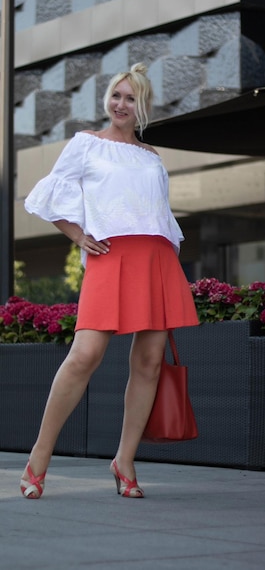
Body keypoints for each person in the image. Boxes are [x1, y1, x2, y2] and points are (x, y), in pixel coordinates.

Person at [20, 62, 199, 500]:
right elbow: (48, 193)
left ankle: (125, 461)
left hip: (155, 258)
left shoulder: (151, 156)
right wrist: (78, 234)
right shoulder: (86, 145)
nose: (121, 104)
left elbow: (159, 215)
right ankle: (38, 458)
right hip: (110, 257)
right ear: (107, 101)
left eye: (130, 98)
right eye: (116, 96)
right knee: (85, 355)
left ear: (142, 106)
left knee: (149, 363)